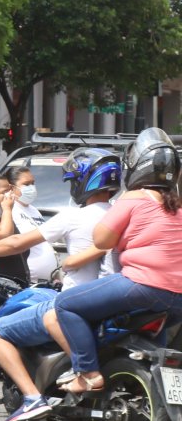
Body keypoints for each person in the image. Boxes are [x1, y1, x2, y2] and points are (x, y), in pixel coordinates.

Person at [0, 147, 121, 421]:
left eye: (73, 181)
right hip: (114, 299)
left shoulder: (74, 215)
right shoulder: (121, 214)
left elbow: (13, 243)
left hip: (73, 302)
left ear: (85, 182)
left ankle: (33, 398)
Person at [54, 128, 182, 394]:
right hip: (177, 298)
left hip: (142, 286)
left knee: (66, 304)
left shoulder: (135, 197)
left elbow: (101, 240)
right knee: (147, 330)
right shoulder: (176, 205)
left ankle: (87, 373)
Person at [4, 166, 57, 282]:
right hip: (26, 281)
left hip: (47, 281)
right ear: (11, 188)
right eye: (26, 184)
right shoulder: (9, 211)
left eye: (33, 183)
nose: (32, 187)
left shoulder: (34, 210)